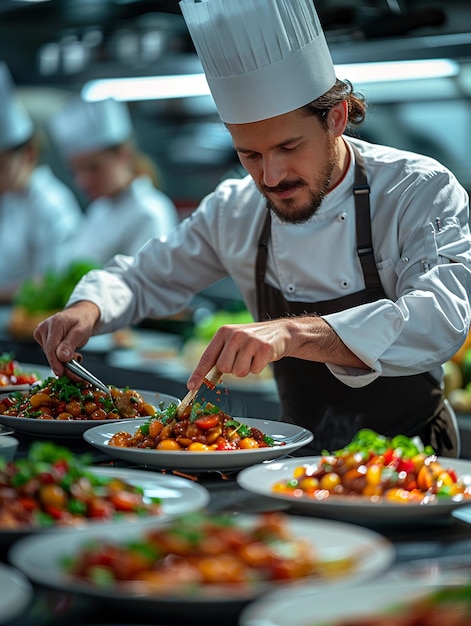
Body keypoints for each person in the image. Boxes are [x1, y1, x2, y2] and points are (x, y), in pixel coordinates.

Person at [34, 0, 471, 457]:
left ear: (337, 118)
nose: (271, 177)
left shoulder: (417, 189)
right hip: (290, 464)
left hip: (413, 460)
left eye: (288, 146)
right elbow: (142, 276)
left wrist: (293, 334)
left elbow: (440, 318)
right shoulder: (235, 208)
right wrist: (88, 308)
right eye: (251, 155)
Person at [48, 96, 179, 266]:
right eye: (76, 170)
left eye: (94, 167)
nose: (83, 181)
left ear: (124, 154)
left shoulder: (150, 212)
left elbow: (147, 285)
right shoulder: (99, 208)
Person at [0, 62, 83, 302]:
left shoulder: (52, 204)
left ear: (28, 154)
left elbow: (50, 282)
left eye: (1, 165)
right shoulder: (7, 201)